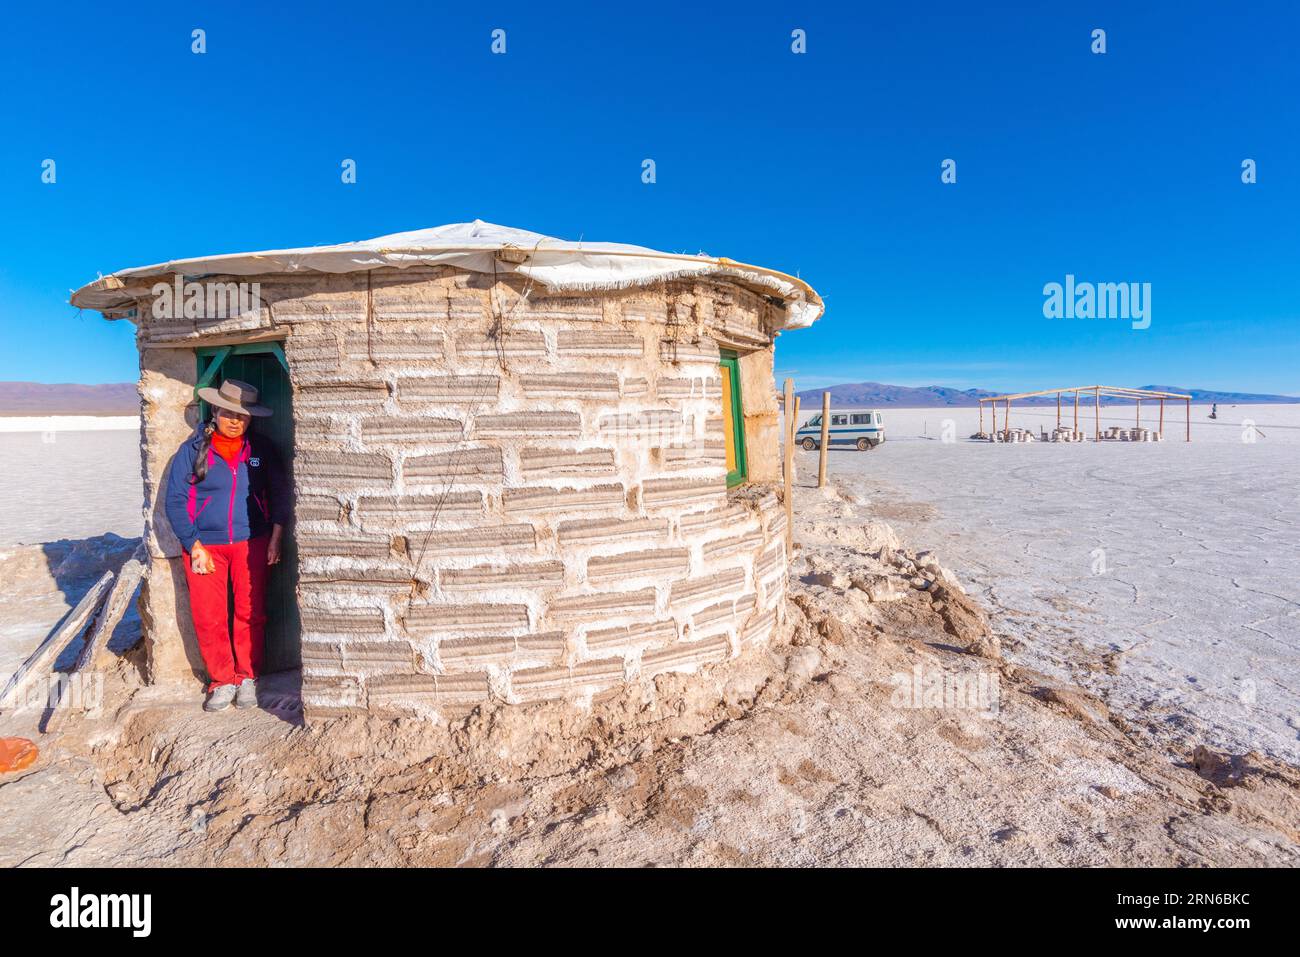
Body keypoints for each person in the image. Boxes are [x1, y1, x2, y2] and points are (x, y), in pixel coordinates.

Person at [164, 379, 290, 712]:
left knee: (250, 614)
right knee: (209, 616)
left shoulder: (260, 452)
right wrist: (193, 544)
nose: (235, 421)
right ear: (215, 411)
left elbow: (279, 494)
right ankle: (222, 680)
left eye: (243, 416)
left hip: (253, 542)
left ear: (251, 419)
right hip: (206, 547)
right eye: (228, 413)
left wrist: (276, 537)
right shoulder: (192, 451)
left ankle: (247, 676)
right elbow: (175, 500)